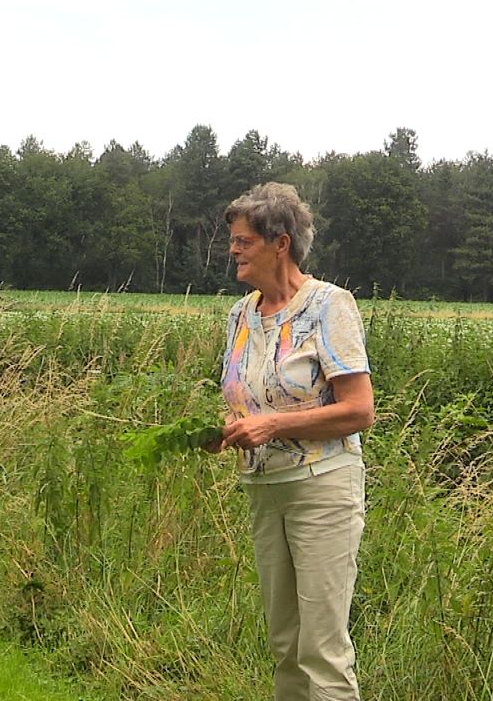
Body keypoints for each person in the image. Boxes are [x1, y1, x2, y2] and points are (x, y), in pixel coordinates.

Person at [209, 182, 375, 701]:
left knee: (321, 648)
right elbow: (247, 400)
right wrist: (225, 429)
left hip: (322, 487)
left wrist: (273, 426)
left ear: (280, 243)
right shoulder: (240, 315)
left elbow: (358, 410)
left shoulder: (329, 305)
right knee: (285, 641)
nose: (233, 250)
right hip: (266, 489)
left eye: (243, 241)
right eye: (233, 241)